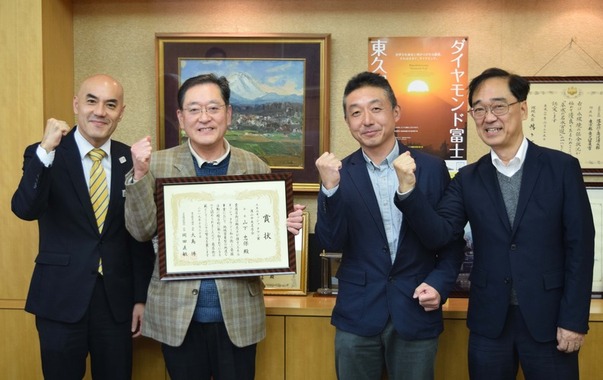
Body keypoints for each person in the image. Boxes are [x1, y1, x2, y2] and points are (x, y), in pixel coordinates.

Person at [395, 67, 596, 380]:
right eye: (479, 109)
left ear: (523, 108)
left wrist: (573, 320)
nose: (489, 117)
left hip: (550, 320)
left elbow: (580, 248)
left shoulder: (561, 168)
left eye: (499, 106)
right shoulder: (467, 179)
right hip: (490, 323)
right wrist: (408, 191)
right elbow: (439, 235)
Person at [124, 73, 305, 380]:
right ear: (181, 118)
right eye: (194, 109)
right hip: (177, 315)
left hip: (237, 315)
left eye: (213, 108)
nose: (204, 118)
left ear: (229, 114)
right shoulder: (156, 165)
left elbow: (264, 248)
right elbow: (139, 231)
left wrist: (283, 229)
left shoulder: (254, 167)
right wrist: (139, 175)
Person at [313, 71, 465, 380]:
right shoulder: (340, 172)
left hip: (416, 308)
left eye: (376, 108)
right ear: (347, 122)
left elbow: (450, 242)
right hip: (358, 313)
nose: (366, 120)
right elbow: (331, 240)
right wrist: (329, 189)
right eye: (355, 112)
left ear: (395, 113)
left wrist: (439, 283)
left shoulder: (432, 169)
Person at [11, 74, 155, 380]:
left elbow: (137, 236)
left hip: (116, 304)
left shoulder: (129, 159)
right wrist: (45, 150)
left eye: (110, 105)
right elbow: (25, 208)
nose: (100, 111)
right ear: (77, 104)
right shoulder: (46, 154)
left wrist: (141, 297)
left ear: (121, 112)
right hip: (60, 298)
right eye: (92, 101)